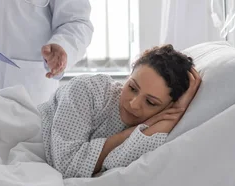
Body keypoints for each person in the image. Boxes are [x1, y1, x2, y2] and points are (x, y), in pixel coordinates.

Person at [38, 44, 201, 178]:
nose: (134, 104)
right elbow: (67, 166)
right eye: (132, 87)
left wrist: (176, 113)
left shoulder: (161, 125)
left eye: (150, 102)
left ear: (169, 107)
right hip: (25, 129)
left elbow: (115, 164)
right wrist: (136, 130)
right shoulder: (87, 90)